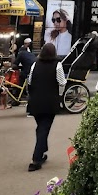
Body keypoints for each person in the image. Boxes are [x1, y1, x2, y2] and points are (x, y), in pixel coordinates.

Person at [27, 41, 66, 171]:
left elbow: (30, 81)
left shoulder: (35, 64)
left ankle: (43, 150)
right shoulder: (57, 65)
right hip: (50, 102)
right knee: (43, 128)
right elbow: (62, 82)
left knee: (40, 128)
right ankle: (36, 159)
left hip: (35, 102)